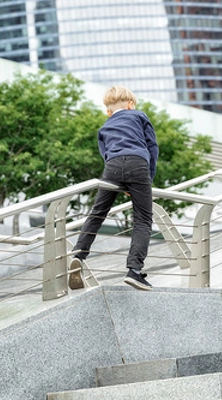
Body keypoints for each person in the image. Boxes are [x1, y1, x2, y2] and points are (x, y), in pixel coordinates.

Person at [68, 86, 159, 291]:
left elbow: (105, 154)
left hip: (113, 167)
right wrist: (147, 179)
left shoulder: (105, 127)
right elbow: (152, 147)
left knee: (97, 214)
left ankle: (78, 255)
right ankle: (134, 271)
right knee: (143, 219)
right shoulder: (139, 116)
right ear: (130, 104)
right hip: (138, 164)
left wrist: (120, 181)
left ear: (108, 111)